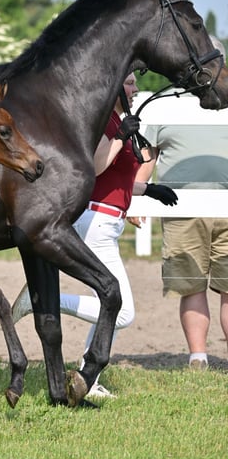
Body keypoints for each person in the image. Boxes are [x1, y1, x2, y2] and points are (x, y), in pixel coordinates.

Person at [11, 71, 178, 398]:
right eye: (130, 83)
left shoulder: (117, 121)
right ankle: (40, 301)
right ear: (115, 88)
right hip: (96, 222)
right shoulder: (103, 121)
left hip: (108, 221)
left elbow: (116, 179)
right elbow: (97, 166)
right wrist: (119, 137)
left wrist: (148, 190)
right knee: (121, 310)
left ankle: (90, 379)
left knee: (111, 305)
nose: (136, 88)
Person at [132, 36, 228, 371]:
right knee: (191, 286)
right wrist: (138, 199)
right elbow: (148, 156)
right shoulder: (165, 105)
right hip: (181, 210)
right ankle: (198, 357)